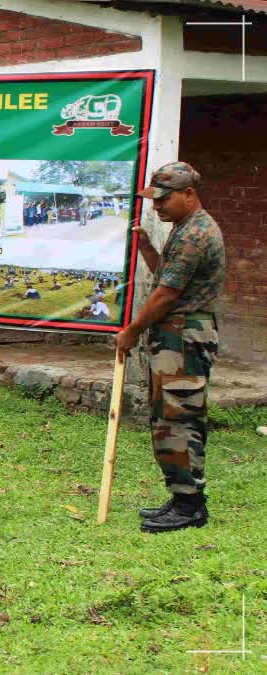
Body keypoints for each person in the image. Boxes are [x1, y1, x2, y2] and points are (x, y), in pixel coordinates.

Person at [117, 162, 225, 533]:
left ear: (189, 194)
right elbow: (166, 274)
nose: (157, 207)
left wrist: (131, 331)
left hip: (183, 335)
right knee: (170, 415)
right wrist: (147, 246)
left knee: (178, 418)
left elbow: (166, 295)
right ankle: (182, 498)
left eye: (164, 200)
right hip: (177, 334)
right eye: (154, 200)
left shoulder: (195, 234)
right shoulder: (184, 228)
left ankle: (190, 506)